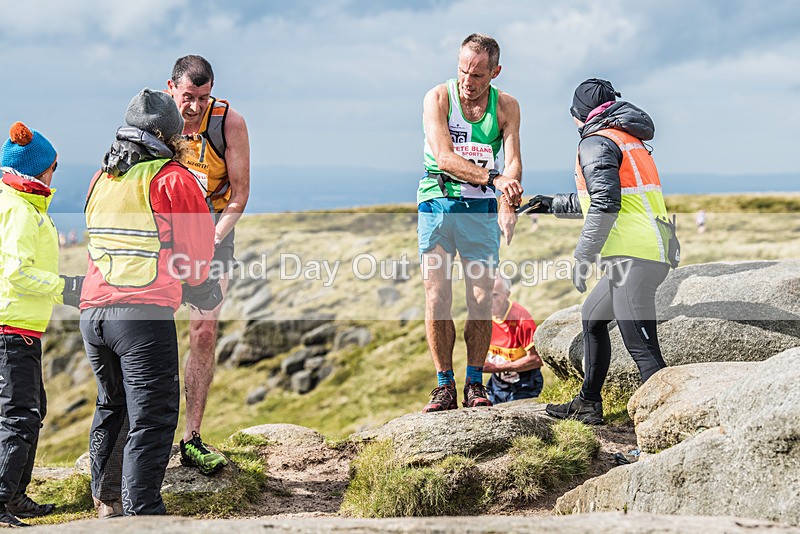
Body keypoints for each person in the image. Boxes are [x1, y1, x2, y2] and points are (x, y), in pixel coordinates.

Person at [80, 89, 219, 516]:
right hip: (141, 318)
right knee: (153, 416)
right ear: (171, 135)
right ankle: (144, 515)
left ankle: (108, 505)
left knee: (112, 407)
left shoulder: (102, 177)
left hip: (93, 314)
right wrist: (201, 289)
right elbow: (197, 257)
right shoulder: (173, 178)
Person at [522, 78, 674, 425]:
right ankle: (588, 403)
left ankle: (667, 426)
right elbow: (605, 197)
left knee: (643, 351)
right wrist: (553, 204)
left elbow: (605, 204)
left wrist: (583, 257)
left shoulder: (595, 142)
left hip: (635, 257)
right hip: (645, 252)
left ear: (579, 113)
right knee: (592, 317)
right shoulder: (626, 138)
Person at [418, 34, 523, 412]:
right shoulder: (438, 98)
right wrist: (495, 179)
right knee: (437, 296)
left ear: (495, 72)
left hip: (479, 211)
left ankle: (475, 384)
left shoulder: (507, 106)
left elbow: (513, 161)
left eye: (477, 74)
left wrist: (507, 199)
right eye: (463, 70)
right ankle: (444, 385)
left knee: (480, 298)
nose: (467, 80)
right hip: (438, 202)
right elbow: (444, 157)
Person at [167, 55, 250, 473]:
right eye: (187, 97)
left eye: (203, 97)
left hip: (214, 233)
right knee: (147, 331)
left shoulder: (228, 123)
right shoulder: (157, 119)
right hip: (165, 237)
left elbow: (240, 194)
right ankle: (148, 435)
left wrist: (214, 237)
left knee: (203, 332)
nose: (195, 106)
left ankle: (192, 436)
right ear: (171, 88)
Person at [0, 122, 82, 527]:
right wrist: (66, 288)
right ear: (39, 170)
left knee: (31, 411)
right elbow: (17, 273)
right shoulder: (19, 210)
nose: (54, 173)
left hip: (22, 328)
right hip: (10, 329)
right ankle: (2, 499)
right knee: (19, 415)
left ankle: (14, 495)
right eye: (53, 166)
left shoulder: (23, 203)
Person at [483, 276, 544, 403]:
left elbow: (536, 360)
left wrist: (497, 367)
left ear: (507, 294)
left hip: (524, 383)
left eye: (494, 295)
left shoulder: (521, 318)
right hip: (497, 383)